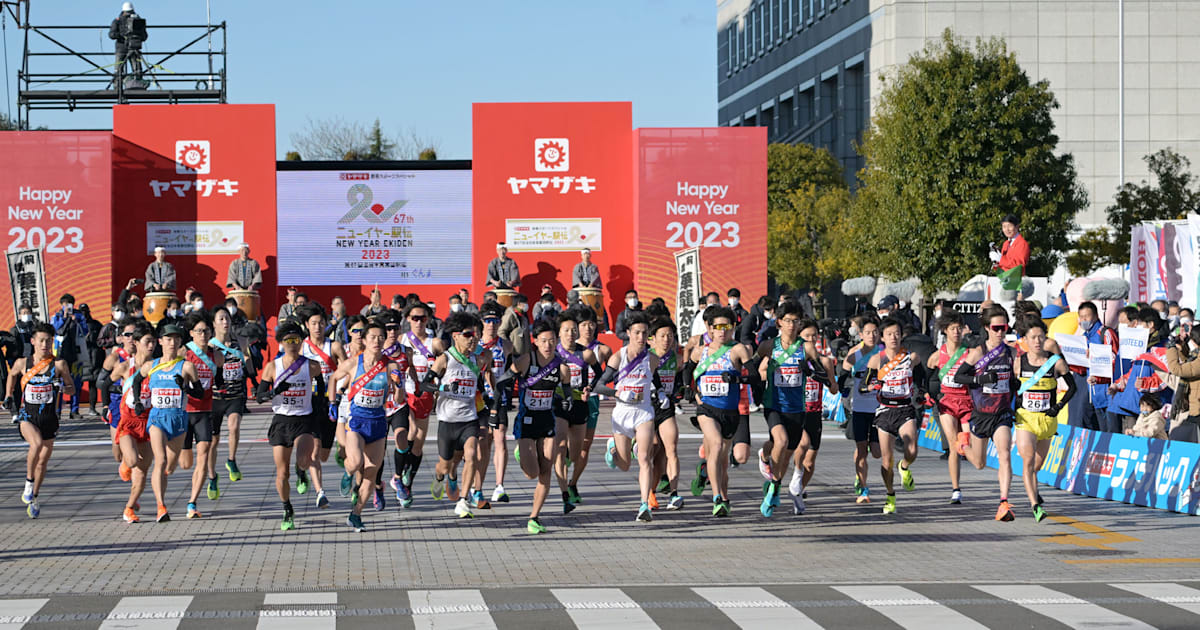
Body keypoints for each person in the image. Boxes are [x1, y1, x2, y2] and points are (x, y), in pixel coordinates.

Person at [756, 304, 833, 517]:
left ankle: (774, 487)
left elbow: (822, 375)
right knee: (780, 442)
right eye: (788, 320)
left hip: (798, 409)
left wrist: (808, 370)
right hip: (774, 405)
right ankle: (772, 477)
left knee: (785, 457)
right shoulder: (768, 346)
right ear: (779, 322)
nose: (792, 325)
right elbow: (753, 369)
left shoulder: (807, 348)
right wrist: (755, 389)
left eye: (796, 321)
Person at [328, 319, 404, 532]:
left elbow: (399, 398)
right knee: (355, 461)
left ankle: (356, 514)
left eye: (381, 337)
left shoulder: (391, 365)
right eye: (373, 337)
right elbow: (334, 379)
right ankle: (348, 472)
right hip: (357, 422)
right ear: (365, 339)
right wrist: (332, 403)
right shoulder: (354, 363)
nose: (377, 341)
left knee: (371, 473)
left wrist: (398, 384)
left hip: (378, 424)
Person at [422, 312, 495, 519]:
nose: (473, 338)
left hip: (469, 418)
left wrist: (492, 398)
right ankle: (439, 477)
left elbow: (485, 379)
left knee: (471, 454)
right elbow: (424, 384)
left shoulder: (478, 359)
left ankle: (463, 501)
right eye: (467, 334)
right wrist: (444, 386)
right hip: (447, 421)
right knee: (445, 465)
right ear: (455, 336)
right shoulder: (445, 359)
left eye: (475, 334)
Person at [684, 306, 753, 516]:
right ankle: (716, 498)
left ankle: (723, 495)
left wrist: (737, 378)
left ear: (733, 328)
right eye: (718, 327)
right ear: (710, 329)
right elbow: (687, 369)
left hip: (731, 411)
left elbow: (755, 377)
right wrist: (688, 388)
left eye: (727, 327)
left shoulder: (738, 349)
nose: (723, 331)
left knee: (723, 460)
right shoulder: (700, 350)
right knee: (714, 445)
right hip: (707, 409)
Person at [503, 318, 570, 533]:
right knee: (531, 473)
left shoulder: (561, 367)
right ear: (536, 341)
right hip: (526, 422)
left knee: (546, 470)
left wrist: (567, 400)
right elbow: (503, 382)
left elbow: (567, 392)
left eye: (552, 341)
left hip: (547, 422)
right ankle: (521, 454)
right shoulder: (525, 361)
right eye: (544, 341)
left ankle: (534, 517)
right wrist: (497, 406)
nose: (548, 345)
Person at [254, 322, 323, 531]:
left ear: (301, 342)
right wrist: (275, 391)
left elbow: (320, 394)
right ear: (281, 343)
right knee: (282, 473)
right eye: (288, 341)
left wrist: (322, 416)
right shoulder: (273, 367)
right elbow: (258, 397)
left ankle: (301, 471)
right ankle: (287, 508)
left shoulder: (312, 366)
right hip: (282, 421)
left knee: (303, 459)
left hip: (304, 419)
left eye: (296, 340)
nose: (292, 344)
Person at [953, 305, 1018, 522]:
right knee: (979, 464)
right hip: (981, 413)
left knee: (1005, 454)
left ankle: (1003, 502)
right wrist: (980, 380)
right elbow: (959, 378)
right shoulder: (979, 352)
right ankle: (962, 444)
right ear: (987, 328)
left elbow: (1016, 379)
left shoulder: (1011, 352)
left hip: (1002, 413)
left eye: (1004, 327)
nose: (1000, 332)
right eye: (996, 328)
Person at [134, 323, 204, 522]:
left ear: (180, 342)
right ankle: (160, 506)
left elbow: (200, 393)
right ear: (161, 342)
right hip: (157, 418)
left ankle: (161, 484)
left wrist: (186, 388)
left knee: (170, 466)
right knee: (160, 460)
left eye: (175, 339)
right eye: (168, 339)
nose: (172, 343)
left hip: (179, 420)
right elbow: (136, 381)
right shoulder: (151, 365)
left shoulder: (187, 366)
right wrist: (138, 402)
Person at [4, 322, 74, 519]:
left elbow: (71, 388)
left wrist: (62, 386)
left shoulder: (58, 364)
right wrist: (9, 395)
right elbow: (11, 375)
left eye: (48, 341)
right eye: (41, 340)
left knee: (42, 461)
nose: (45, 344)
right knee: (35, 444)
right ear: (33, 341)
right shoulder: (22, 363)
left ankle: (34, 496)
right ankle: (28, 483)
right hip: (28, 416)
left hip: (49, 418)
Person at [860, 317, 927, 515]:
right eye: (889, 334)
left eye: (897, 334)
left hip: (905, 408)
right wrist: (872, 386)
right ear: (882, 337)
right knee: (886, 460)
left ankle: (904, 467)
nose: (893, 338)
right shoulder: (876, 360)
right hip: (885, 411)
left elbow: (922, 379)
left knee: (912, 449)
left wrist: (922, 393)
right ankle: (890, 495)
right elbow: (863, 386)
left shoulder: (911, 357)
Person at [1014, 318, 1076, 521]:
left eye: (1041, 336)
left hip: (1047, 420)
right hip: (1025, 419)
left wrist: (1057, 407)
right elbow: (1011, 389)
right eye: (1033, 337)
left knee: (1037, 466)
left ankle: (1034, 490)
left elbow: (1073, 387)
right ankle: (1034, 504)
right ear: (1025, 340)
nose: (1038, 341)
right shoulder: (1018, 362)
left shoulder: (1056, 361)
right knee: (1028, 460)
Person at [552, 310, 601, 512]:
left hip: (580, 404)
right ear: (559, 333)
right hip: (559, 404)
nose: (571, 334)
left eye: (574, 330)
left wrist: (590, 387)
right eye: (567, 330)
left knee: (577, 452)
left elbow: (600, 374)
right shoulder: (552, 353)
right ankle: (565, 494)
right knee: (561, 446)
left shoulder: (586, 354)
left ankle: (569, 480)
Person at [297, 307, 346, 509]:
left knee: (323, 455)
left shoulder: (334, 346)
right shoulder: (301, 348)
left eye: (321, 323)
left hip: (333, 401)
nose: (317, 327)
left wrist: (341, 391)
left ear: (327, 324)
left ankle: (304, 465)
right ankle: (320, 493)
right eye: (313, 323)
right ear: (307, 325)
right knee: (314, 452)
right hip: (311, 402)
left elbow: (347, 370)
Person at [398, 303, 445, 507]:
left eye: (422, 318)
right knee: (411, 431)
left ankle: (409, 480)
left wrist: (440, 387)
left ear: (428, 319)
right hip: (406, 392)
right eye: (415, 318)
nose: (418, 322)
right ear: (408, 319)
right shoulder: (402, 339)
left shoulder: (435, 342)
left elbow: (446, 365)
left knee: (419, 442)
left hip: (426, 395)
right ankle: (400, 475)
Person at [179, 312, 225, 519]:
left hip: (205, 411)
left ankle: (192, 503)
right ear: (191, 334)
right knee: (185, 463)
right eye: (199, 331)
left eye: (206, 331)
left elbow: (220, 381)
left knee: (204, 453)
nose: (204, 335)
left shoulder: (217, 355)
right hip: (184, 411)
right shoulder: (184, 353)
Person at [926, 309, 972, 505]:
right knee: (953, 445)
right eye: (953, 329)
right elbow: (927, 377)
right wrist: (927, 394)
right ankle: (956, 489)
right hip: (946, 403)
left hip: (967, 402)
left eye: (959, 328)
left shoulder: (969, 353)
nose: (956, 332)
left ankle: (966, 446)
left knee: (968, 444)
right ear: (945, 330)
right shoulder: (937, 356)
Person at [567, 306, 611, 501]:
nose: (588, 328)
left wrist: (598, 387)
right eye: (583, 324)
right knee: (563, 443)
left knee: (585, 446)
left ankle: (572, 484)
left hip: (590, 400)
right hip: (567, 399)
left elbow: (613, 370)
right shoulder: (567, 347)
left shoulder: (602, 349)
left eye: (591, 324)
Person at [113, 321, 155, 522]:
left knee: (142, 472)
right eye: (147, 342)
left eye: (153, 342)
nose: (151, 346)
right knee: (131, 461)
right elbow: (105, 382)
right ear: (137, 343)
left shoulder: (157, 366)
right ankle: (124, 462)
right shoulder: (124, 366)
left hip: (149, 423)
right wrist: (107, 406)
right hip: (129, 422)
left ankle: (129, 508)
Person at [474, 302, 515, 506]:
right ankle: (477, 487)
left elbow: (513, 369)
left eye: (495, 321)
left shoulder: (506, 345)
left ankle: (499, 486)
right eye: (488, 321)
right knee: (483, 444)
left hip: (500, 398)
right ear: (482, 322)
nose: (491, 324)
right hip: (480, 399)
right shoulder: (475, 344)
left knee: (500, 440)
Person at [210, 307, 251, 488]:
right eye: (221, 319)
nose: (225, 322)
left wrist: (256, 382)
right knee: (213, 440)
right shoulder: (208, 346)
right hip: (215, 397)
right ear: (214, 324)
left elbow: (248, 362)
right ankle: (212, 477)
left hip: (236, 395)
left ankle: (231, 460)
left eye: (227, 318)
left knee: (233, 427)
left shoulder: (240, 341)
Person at [844, 314, 882, 504]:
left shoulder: (884, 352)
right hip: (859, 408)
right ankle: (863, 487)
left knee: (876, 452)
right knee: (861, 451)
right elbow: (843, 369)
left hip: (879, 409)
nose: (871, 336)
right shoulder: (855, 353)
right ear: (861, 334)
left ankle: (861, 468)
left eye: (875, 332)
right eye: (867, 332)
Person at [647, 317, 685, 511]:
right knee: (653, 448)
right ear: (651, 339)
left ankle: (674, 493)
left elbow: (682, 378)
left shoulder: (677, 359)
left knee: (670, 449)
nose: (666, 340)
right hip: (646, 409)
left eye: (670, 335)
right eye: (662, 336)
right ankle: (648, 491)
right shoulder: (646, 357)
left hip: (666, 407)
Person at [97, 320, 139, 476]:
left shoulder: (145, 357)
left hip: (136, 404)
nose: (131, 338)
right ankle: (124, 461)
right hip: (117, 402)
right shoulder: (115, 358)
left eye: (134, 334)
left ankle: (132, 465)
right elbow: (101, 382)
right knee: (117, 446)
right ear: (120, 338)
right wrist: (106, 405)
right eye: (127, 335)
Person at [1074, 301, 1119, 432]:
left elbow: (1113, 360)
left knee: (1110, 432)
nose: (1084, 320)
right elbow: (1082, 369)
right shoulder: (1084, 337)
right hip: (1093, 394)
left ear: (1095, 316)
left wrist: (1095, 357)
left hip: (1106, 393)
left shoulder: (1105, 333)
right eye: (1081, 317)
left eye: (1086, 316)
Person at [50, 293, 93, 419]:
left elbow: (85, 331)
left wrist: (77, 321)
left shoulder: (78, 315)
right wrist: (64, 317)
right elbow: (56, 329)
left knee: (76, 382)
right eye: (64, 304)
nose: (67, 306)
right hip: (60, 352)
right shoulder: (57, 316)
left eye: (69, 304)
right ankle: (57, 410)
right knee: (58, 382)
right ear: (61, 305)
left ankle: (74, 410)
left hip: (75, 353)